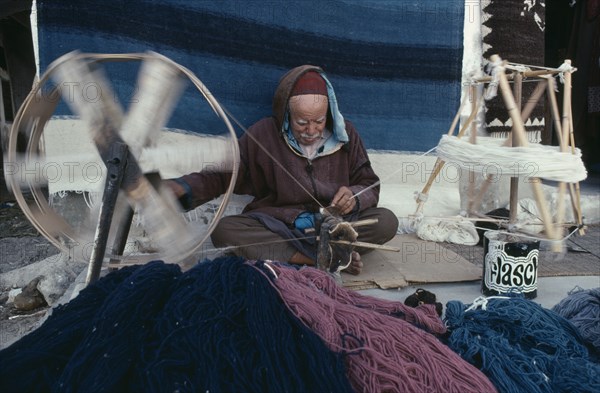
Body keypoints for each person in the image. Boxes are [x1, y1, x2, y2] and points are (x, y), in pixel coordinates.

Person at [166, 65, 398, 274]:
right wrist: (185, 186)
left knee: (386, 221)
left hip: (334, 225)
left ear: (328, 113)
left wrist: (354, 197)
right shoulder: (264, 134)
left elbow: (370, 184)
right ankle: (322, 260)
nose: (311, 130)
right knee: (224, 230)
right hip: (282, 226)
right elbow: (224, 174)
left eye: (318, 121)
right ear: (287, 113)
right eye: (301, 122)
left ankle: (319, 253)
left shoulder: (346, 135)